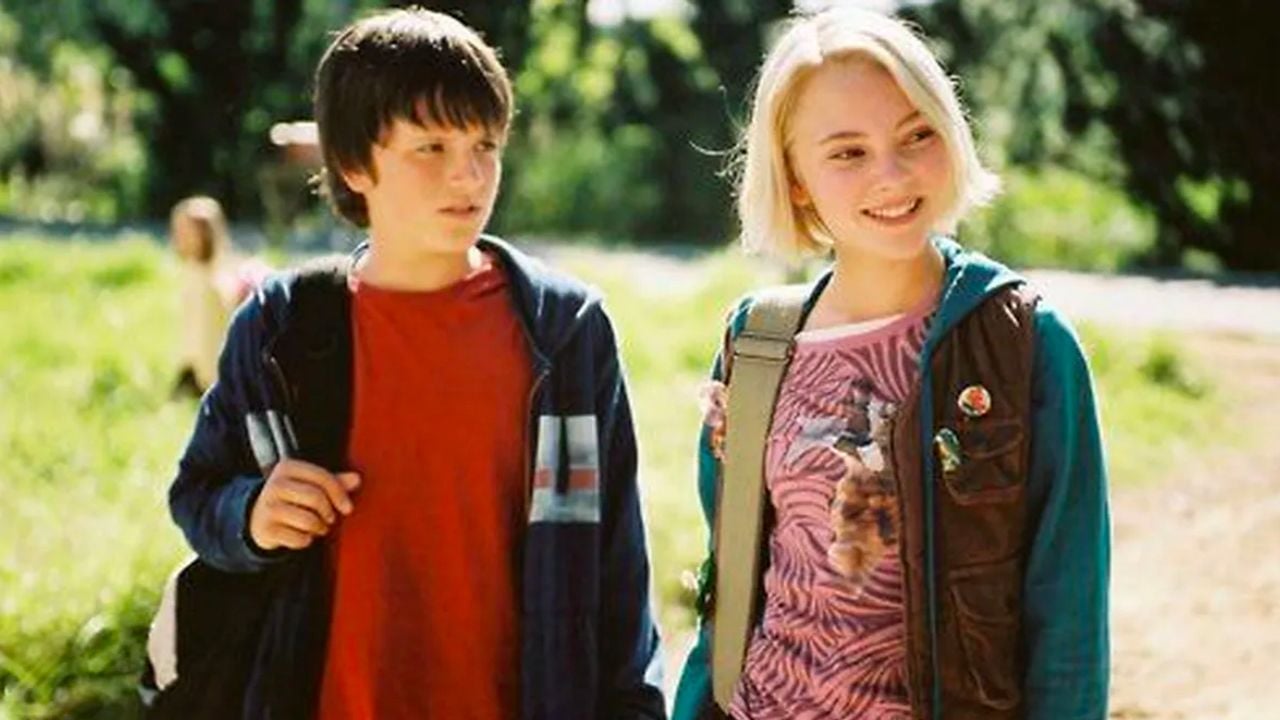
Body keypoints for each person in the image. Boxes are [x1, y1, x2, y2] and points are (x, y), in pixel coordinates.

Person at [162, 8, 664, 719]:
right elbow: (197, 495)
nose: (469, 174)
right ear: (354, 165)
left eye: (485, 144)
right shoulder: (282, 329)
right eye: (431, 146)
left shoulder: (567, 331)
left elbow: (619, 566)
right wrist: (253, 516)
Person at [672, 8, 1109, 720]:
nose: (893, 174)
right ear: (796, 177)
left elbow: (1069, 621)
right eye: (848, 152)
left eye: (916, 135)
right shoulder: (756, 342)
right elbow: (728, 589)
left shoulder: (1027, 344)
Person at [168, 195, 270, 397]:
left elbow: (211, 339)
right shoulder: (193, 274)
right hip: (198, 372)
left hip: (217, 378)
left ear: (205, 233)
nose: (178, 237)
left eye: (186, 231)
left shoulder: (217, 282)